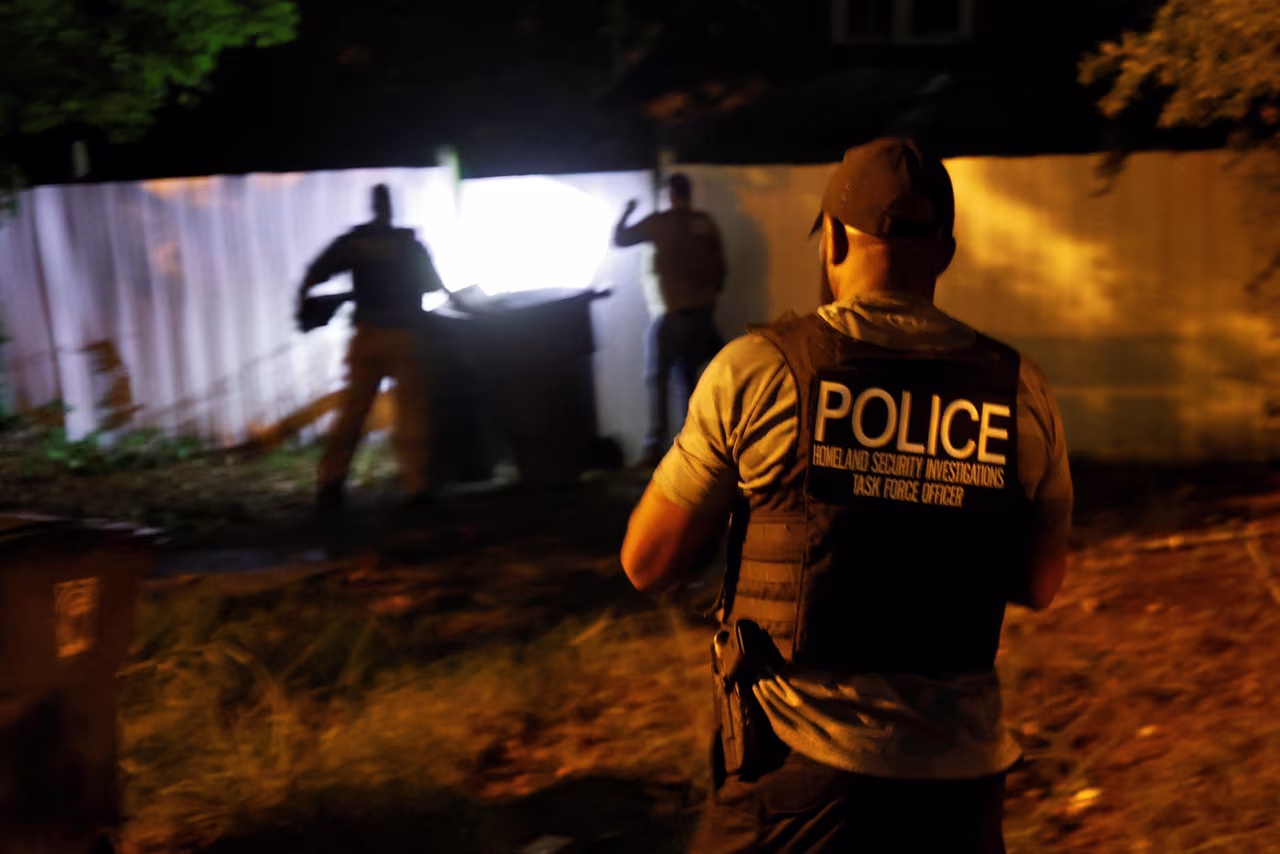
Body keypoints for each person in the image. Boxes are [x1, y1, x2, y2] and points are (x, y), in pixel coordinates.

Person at [620, 138, 1073, 853]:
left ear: (830, 235)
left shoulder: (759, 371)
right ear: (946, 252)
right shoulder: (1020, 390)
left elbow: (647, 562)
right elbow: (1039, 583)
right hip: (963, 785)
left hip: (800, 786)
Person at [298, 183, 445, 513]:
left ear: (371, 206)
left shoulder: (354, 243)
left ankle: (330, 484)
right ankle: (418, 487)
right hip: (407, 336)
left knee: (353, 411)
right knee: (412, 412)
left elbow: (313, 274)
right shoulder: (408, 244)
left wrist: (306, 307)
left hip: (368, 336)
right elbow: (433, 286)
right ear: (391, 208)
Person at [615, 173, 727, 467]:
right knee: (690, 382)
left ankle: (656, 448)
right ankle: (697, 449)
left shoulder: (660, 223)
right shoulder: (705, 223)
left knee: (659, 378)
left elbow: (620, 238)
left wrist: (626, 211)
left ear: (669, 194)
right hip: (702, 314)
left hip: (672, 315)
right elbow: (720, 271)